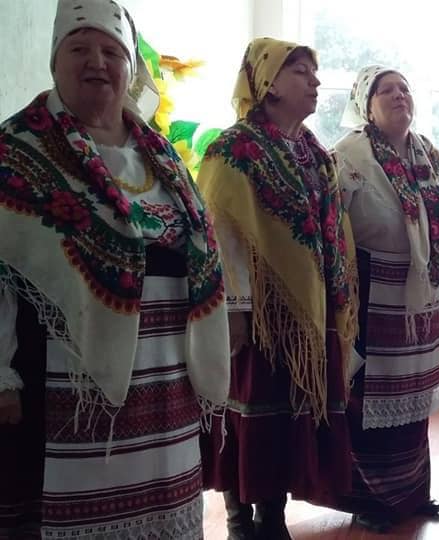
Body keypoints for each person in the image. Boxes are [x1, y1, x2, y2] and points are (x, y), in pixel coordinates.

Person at [0, 1, 229, 537]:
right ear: (55, 62)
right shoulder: (16, 150)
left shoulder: (161, 155)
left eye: (112, 51)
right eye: (79, 48)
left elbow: (202, 248)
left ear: (130, 67)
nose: (97, 63)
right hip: (63, 382)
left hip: (168, 379)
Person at [196, 38, 358, 539]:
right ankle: (239, 519)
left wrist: (338, 297)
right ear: (268, 83)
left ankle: (272, 516)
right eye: (301, 72)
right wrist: (235, 309)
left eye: (314, 72)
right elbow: (221, 232)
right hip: (256, 313)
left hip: (309, 309)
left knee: (288, 416)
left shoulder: (315, 153)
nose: (315, 81)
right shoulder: (233, 150)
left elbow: (333, 232)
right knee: (249, 411)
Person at [332, 65, 439, 532]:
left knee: (417, 397)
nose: (399, 95)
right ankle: (368, 498)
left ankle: (412, 492)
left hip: (424, 296)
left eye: (404, 88)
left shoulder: (433, 160)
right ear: (366, 105)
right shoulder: (348, 156)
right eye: (387, 90)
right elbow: (329, 227)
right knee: (368, 398)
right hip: (371, 291)